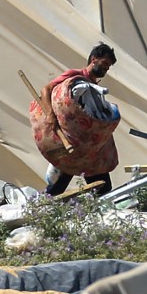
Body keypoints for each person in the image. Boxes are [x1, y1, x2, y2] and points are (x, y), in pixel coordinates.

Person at [38, 43, 118, 196]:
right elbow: (46, 89)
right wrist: (50, 115)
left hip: (87, 148)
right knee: (58, 187)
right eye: (105, 64)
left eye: (108, 67)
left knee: (102, 188)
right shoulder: (75, 76)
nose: (106, 69)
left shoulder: (94, 87)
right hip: (72, 144)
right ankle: (40, 212)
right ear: (94, 60)